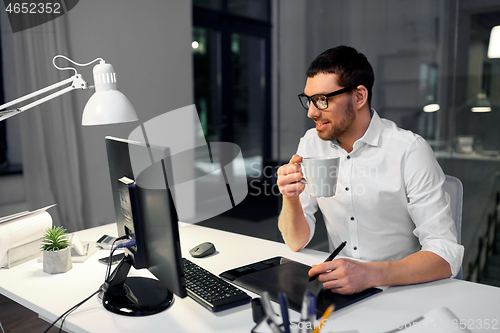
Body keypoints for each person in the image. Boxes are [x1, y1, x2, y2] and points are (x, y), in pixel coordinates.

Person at [277, 46, 464, 295]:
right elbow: (296, 241)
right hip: (341, 289)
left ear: (359, 96)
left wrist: (369, 274)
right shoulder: (313, 144)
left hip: (402, 290)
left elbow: (446, 252)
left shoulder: (408, 151)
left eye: (322, 100)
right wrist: (290, 199)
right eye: (309, 100)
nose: (312, 112)